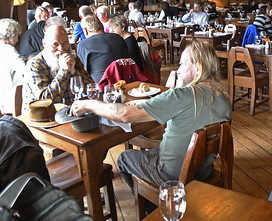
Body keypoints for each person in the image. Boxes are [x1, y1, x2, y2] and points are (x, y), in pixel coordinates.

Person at [70, 41, 232, 190]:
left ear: (198, 68)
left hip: (172, 175)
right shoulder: (224, 100)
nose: (178, 69)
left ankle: (154, 206)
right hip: (203, 171)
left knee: (124, 158)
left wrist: (89, 104)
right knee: (155, 150)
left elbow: (125, 114)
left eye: (182, 63)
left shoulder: (180, 95)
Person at [23, 25, 93, 112]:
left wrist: (74, 72)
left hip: (67, 113)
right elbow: (45, 101)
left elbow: (91, 89)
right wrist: (64, 71)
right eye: (55, 45)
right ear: (44, 44)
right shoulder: (34, 65)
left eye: (64, 43)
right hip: (39, 118)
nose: (61, 49)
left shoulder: (73, 59)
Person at [77, 15, 129, 83]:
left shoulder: (83, 45)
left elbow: (82, 72)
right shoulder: (118, 38)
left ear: (85, 30)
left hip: (102, 86)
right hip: (126, 82)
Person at [0, 19, 25, 115]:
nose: (18, 40)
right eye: (17, 36)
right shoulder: (9, 50)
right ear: (10, 35)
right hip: (10, 101)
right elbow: (24, 70)